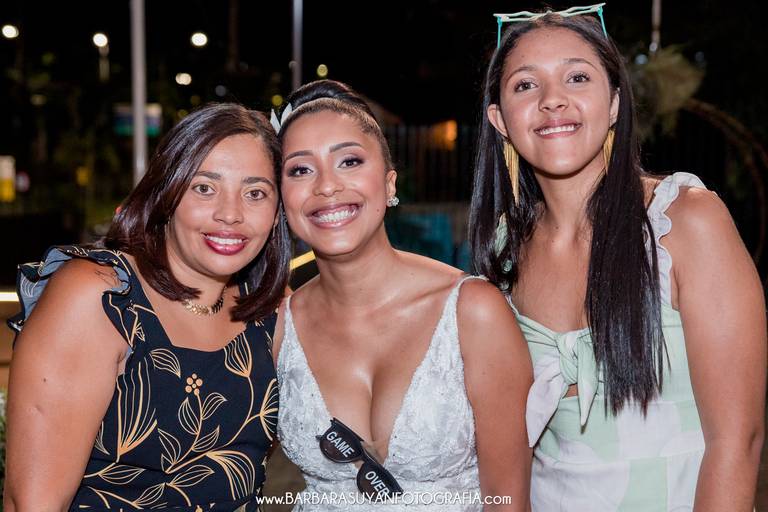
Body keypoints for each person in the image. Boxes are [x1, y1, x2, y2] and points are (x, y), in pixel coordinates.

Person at [469, 9, 766, 511]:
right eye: (525, 85)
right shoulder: (504, 249)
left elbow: (738, 441)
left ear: (613, 103)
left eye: (577, 77)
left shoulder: (685, 223)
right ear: (500, 120)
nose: (552, 99)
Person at [4, 103, 291, 511]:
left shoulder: (269, 313)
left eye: (255, 193)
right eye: (204, 188)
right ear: (166, 194)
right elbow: (33, 503)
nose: (231, 214)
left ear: (277, 212)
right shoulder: (104, 298)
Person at [271, 80, 533, 511]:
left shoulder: (471, 312)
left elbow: (508, 501)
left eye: (349, 161)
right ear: (281, 198)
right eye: (300, 170)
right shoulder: (278, 324)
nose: (327, 186)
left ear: (389, 183)